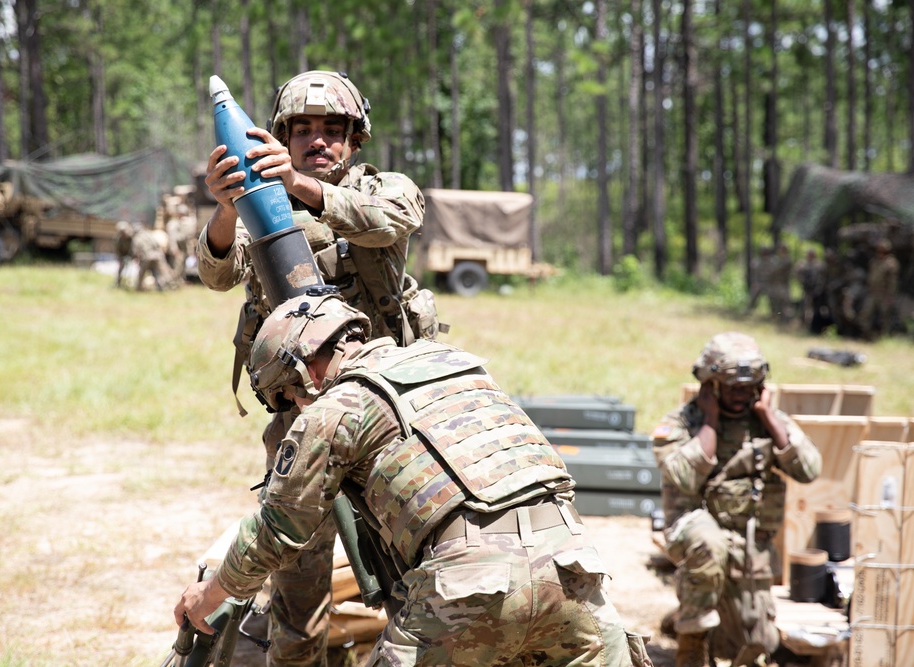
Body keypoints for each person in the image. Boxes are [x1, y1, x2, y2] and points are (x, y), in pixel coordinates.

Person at [173, 290, 652, 667]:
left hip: (470, 589)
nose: (291, 409)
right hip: (575, 575)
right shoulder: (455, 363)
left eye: (284, 397)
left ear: (302, 374)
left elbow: (277, 533)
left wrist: (209, 593)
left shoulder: (338, 406)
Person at [195, 71, 439, 666]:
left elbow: (388, 222)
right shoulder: (262, 204)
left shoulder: (383, 190)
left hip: (391, 422)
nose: (317, 140)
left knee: (413, 578)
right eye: (301, 130)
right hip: (303, 423)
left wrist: (299, 186)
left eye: (333, 129)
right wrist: (228, 209)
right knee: (297, 596)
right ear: (278, 136)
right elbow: (215, 273)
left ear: (355, 139)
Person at [652, 332, 821, 667]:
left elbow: (809, 470)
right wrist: (711, 420)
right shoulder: (681, 423)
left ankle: (684, 617)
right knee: (709, 545)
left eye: (748, 386)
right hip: (694, 528)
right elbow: (684, 477)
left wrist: (770, 419)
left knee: (756, 643)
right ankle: (691, 645)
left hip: (747, 543)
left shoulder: (768, 424)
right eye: (732, 387)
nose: (741, 395)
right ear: (712, 385)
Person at [857, 238, 900, 340]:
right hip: (872, 293)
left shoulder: (891, 263)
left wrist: (890, 295)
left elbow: (892, 282)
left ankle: (884, 337)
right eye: (878, 249)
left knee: (885, 317)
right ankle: (868, 335)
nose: (879, 252)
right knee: (864, 315)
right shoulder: (874, 261)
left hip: (884, 294)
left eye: (882, 250)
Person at [132, 222, 175, 292]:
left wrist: (136, 258)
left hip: (146, 256)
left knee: (141, 274)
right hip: (158, 255)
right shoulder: (149, 234)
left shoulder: (137, 238)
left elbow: (135, 251)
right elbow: (157, 244)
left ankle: (139, 288)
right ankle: (172, 286)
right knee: (164, 273)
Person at [793, 248, 827, 333]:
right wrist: (802, 282)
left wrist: (819, 288)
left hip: (817, 291)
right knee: (804, 308)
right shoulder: (802, 264)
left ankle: (815, 327)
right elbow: (796, 274)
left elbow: (823, 278)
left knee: (817, 309)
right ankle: (804, 325)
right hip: (806, 290)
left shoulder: (819, 265)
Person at [114, 220, 135, 288]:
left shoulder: (132, 238)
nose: (123, 233)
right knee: (120, 269)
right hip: (123, 255)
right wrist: (120, 258)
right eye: (121, 232)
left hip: (132, 255)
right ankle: (118, 283)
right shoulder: (118, 239)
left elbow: (135, 247)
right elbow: (118, 250)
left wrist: (133, 256)